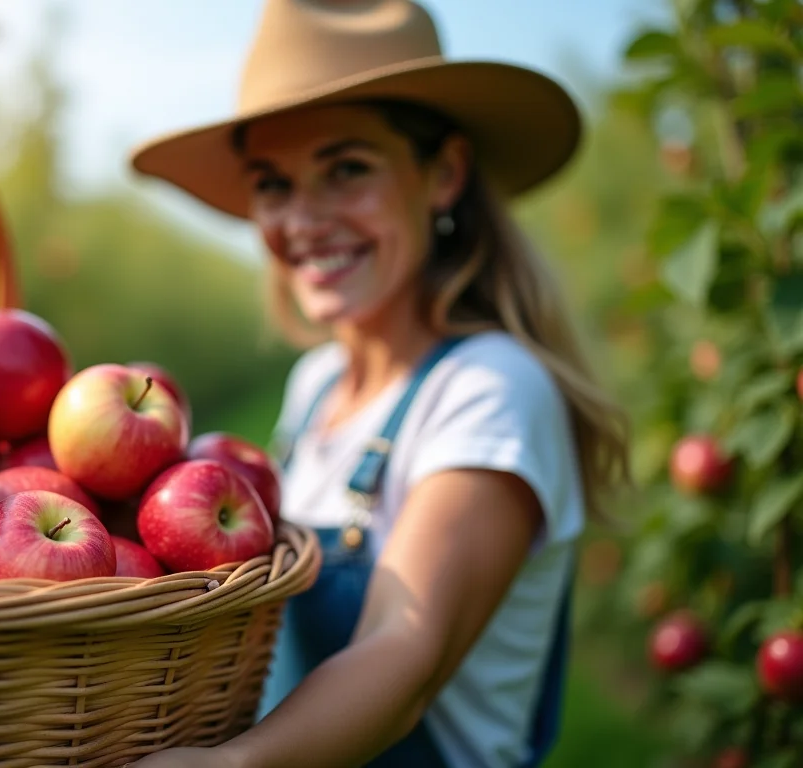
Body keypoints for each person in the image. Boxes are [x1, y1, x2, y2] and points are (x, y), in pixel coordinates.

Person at [126, 1, 631, 767]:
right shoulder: (317, 385)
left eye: (347, 170)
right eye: (274, 184)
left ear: (444, 174)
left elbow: (406, 649)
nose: (304, 220)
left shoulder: (489, 389)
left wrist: (234, 764)